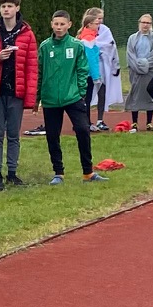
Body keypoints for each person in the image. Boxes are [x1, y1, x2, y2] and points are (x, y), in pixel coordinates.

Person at [38, 11, 102, 184]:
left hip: (73, 97)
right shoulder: (45, 46)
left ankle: (88, 172)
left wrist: (81, 92)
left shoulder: (76, 45)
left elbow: (82, 69)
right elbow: (39, 72)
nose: (59, 27)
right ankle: (58, 173)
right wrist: (38, 97)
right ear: (51, 24)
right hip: (50, 99)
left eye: (62, 24)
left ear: (69, 25)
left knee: (83, 130)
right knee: (52, 135)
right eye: (56, 24)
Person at [0, 0, 38, 188]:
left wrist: (30, 97)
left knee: (14, 134)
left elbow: (32, 67)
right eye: (3, 6)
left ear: (17, 8)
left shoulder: (27, 34)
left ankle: (12, 172)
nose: (6, 9)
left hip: (16, 91)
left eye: (10, 6)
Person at [81, 7, 121, 132]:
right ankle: (84, 121)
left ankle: (99, 120)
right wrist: (95, 75)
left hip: (103, 66)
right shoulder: (86, 36)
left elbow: (110, 45)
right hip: (90, 70)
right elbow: (91, 55)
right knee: (86, 96)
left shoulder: (104, 30)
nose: (100, 22)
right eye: (98, 19)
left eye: (101, 19)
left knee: (101, 91)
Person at [123, 13, 153, 131]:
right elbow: (130, 55)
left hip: (150, 71)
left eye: (148, 23)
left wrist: (145, 64)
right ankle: (134, 122)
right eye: (143, 22)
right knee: (135, 94)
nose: (145, 25)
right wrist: (137, 66)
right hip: (135, 71)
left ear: (151, 25)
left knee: (149, 94)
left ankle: (149, 123)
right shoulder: (132, 38)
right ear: (139, 23)